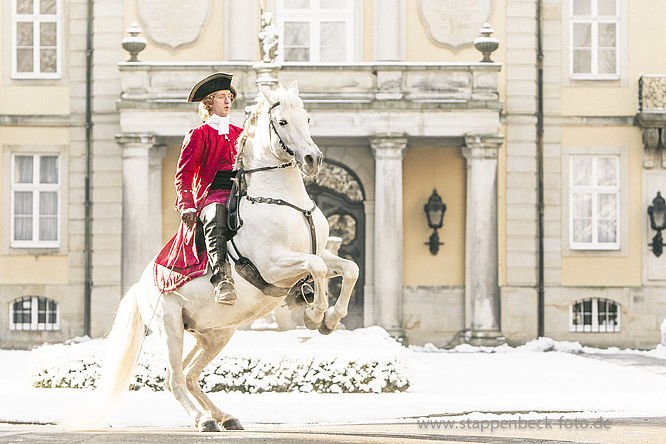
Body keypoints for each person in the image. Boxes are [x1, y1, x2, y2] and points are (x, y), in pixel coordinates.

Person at [154, 72, 242, 304]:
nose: (227, 101)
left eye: (229, 97)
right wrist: (187, 205)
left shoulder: (240, 134)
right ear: (209, 102)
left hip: (239, 194)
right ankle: (222, 277)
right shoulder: (198, 135)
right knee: (215, 214)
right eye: (222, 97)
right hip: (211, 196)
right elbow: (183, 175)